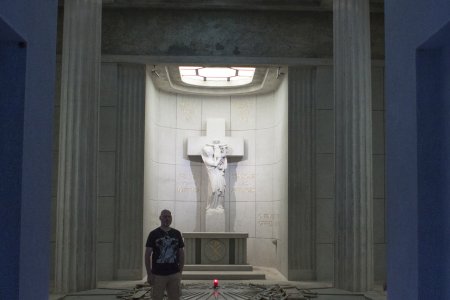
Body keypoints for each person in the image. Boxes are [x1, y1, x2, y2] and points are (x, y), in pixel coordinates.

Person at [145, 209, 185, 300]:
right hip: (158, 274)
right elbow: (147, 255)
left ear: (171, 218)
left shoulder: (176, 233)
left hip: (174, 273)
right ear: (160, 218)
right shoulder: (153, 234)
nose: (167, 218)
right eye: (165, 216)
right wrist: (149, 274)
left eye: (169, 216)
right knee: (157, 297)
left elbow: (181, 253)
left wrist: (180, 272)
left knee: (175, 298)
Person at [201, 140, 228, 210]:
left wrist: (219, 150)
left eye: (210, 150)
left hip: (218, 175)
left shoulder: (214, 158)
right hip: (213, 177)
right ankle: (210, 205)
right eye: (209, 151)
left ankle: (219, 205)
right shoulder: (207, 160)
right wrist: (222, 155)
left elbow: (219, 163)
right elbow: (215, 164)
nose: (210, 151)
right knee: (213, 191)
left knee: (221, 190)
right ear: (207, 153)